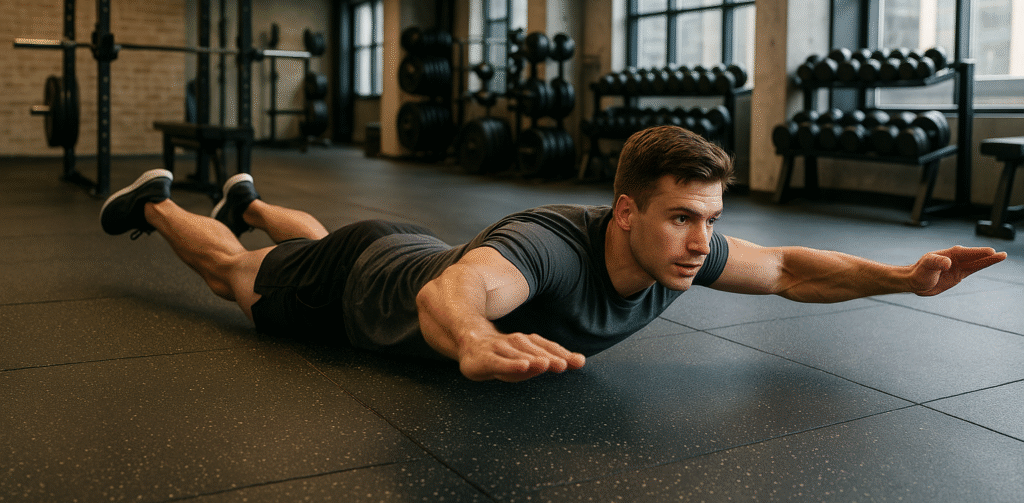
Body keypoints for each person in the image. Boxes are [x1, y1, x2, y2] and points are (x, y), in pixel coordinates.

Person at [100, 126, 1006, 383]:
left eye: (711, 218)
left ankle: (252, 199)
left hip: (394, 244)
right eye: (684, 218)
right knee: (240, 278)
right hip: (367, 287)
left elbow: (786, 266)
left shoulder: (680, 248)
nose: (703, 242)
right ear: (624, 212)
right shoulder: (547, 249)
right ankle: (161, 204)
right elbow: (461, 289)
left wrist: (902, 277)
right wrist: (471, 338)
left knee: (320, 236)